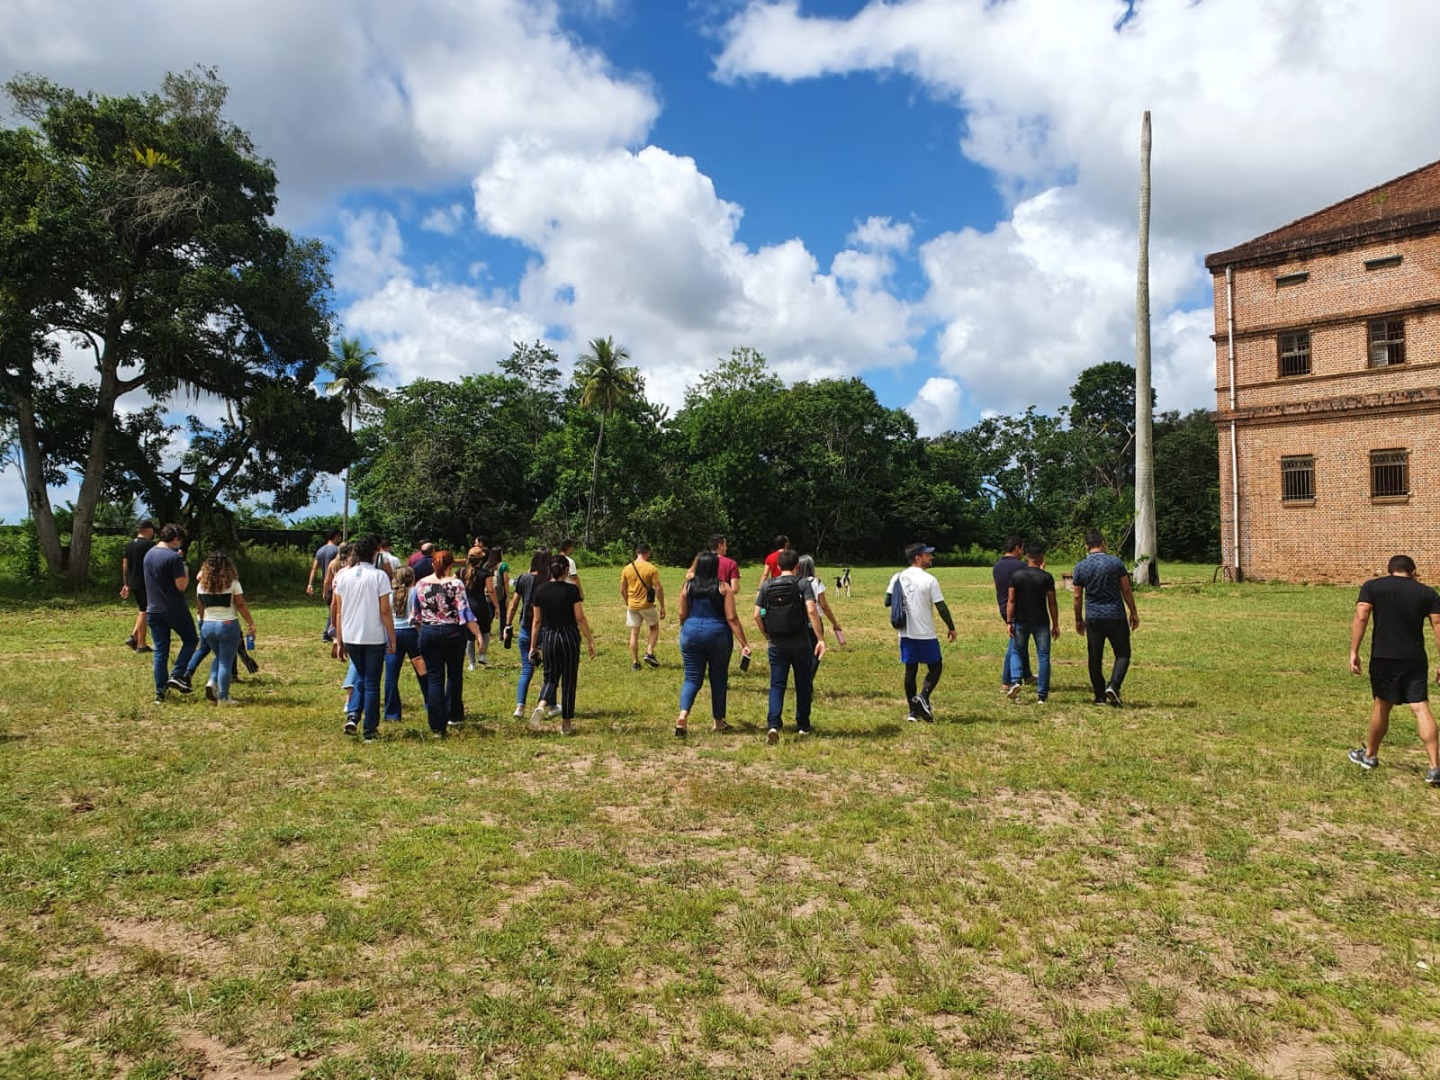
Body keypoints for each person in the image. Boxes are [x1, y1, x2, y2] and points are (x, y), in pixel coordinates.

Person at [1347, 554, 1440, 785]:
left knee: (1382, 705)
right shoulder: (1427, 593)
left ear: (1389, 571)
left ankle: (1370, 756)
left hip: (1384, 657)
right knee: (1421, 708)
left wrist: (1354, 651)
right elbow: (1438, 625)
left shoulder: (1373, 587)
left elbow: (1361, 616)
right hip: (1414, 658)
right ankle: (1434, 767)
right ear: (1413, 572)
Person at [754, 549, 826, 743]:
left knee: (777, 684)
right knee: (803, 684)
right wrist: (820, 638)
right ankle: (803, 725)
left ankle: (773, 725)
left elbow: (756, 614)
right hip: (800, 642)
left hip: (776, 643)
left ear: (778, 566)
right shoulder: (802, 584)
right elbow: (812, 610)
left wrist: (767, 634)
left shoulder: (767, 585)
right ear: (797, 566)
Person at [676, 551, 751, 737]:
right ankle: (718, 721)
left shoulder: (687, 587)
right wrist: (744, 643)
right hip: (717, 634)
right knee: (718, 678)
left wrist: (686, 628)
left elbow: (682, 614)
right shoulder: (723, 587)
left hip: (691, 632)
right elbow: (731, 617)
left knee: (691, 678)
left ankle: (683, 714)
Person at [331, 535, 396, 741]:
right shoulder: (379, 576)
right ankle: (370, 729)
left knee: (360, 676)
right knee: (372, 682)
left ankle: (353, 715)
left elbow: (339, 611)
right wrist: (392, 636)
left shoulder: (343, 576)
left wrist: (339, 640)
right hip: (373, 636)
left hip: (351, 634)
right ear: (375, 553)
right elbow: (385, 611)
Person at [412, 549, 482, 737]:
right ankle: (454, 715)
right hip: (452, 632)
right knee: (454, 674)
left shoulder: (421, 584)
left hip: (428, 631)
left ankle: (436, 725)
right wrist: (477, 634)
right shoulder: (456, 584)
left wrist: (423, 632)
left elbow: (416, 614)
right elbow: (464, 611)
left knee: (434, 678)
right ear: (451, 565)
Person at [885, 543, 956, 723]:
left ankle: (912, 713)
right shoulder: (929, 580)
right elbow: (941, 606)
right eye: (927, 555)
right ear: (918, 558)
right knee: (936, 666)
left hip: (905, 632)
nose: (931, 557)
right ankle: (923, 696)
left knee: (911, 669)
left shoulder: (897, 577)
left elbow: (887, 600)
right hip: (925, 632)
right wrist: (951, 626)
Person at [1072, 529, 1140, 707]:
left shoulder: (1080, 567)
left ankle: (1099, 696)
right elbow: (1126, 589)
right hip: (1115, 614)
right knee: (1123, 653)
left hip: (1093, 616)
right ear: (1103, 543)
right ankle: (1114, 685)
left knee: (1095, 656)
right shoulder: (1115, 563)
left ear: (1086, 546)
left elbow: (1077, 596)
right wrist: (1133, 611)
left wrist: (1078, 619)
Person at [529, 554, 596, 735]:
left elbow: (536, 621)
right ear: (566, 570)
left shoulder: (540, 591)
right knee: (568, 680)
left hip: (549, 637)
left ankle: (541, 705)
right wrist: (590, 639)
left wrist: (533, 646)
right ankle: (566, 724)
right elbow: (580, 617)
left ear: (549, 570)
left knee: (550, 677)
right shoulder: (572, 590)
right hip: (569, 636)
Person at [193, 550, 255, 706]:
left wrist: (202, 622)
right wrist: (251, 623)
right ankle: (223, 697)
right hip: (227, 625)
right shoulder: (233, 583)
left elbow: (200, 606)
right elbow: (240, 605)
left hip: (208, 625)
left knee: (220, 657)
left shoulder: (201, 585)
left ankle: (212, 681)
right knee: (225, 662)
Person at [144, 524, 197, 702]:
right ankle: (177, 674)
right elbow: (181, 586)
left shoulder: (149, 554)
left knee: (160, 651)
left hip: (153, 609)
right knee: (191, 639)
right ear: (175, 539)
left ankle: (160, 693)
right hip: (173, 607)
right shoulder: (174, 558)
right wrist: (184, 567)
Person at [1006, 542, 1060, 704]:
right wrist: (1055, 624)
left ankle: (1015, 681)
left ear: (1027, 557)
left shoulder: (1016, 576)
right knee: (1043, 657)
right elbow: (1052, 602)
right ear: (1041, 558)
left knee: (1017, 651)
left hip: (1021, 620)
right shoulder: (1046, 577)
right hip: (1041, 622)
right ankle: (1042, 695)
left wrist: (1009, 621)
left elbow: (1011, 600)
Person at [507, 548, 552, 719]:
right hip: (546, 629)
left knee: (526, 669)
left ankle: (520, 707)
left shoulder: (523, 579)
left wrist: (508, 624)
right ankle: (551, 705)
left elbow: (514, 604)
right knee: (550, 671)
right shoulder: (549, 580)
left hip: (526, 628)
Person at [383, 565, 427, 723]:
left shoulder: (389, 594)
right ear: (412, 578)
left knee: (391, 676)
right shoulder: (416, 592)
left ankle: (391, 713)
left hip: (394, 634)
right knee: (423, 671)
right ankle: (431, 704)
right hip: (413, 633)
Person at [993, 535, 1034, 694]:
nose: (1022, 551)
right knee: (1015, 645)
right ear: (1017, 547)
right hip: (1017, 608)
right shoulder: (1022, 566)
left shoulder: (997, 566)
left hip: (1004, 607)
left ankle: (1027, 675)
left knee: (1020, 641)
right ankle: (1007, 681)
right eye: (1022, 548)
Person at [620, 542, 665, 670]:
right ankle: (649, 652)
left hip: (632, 605)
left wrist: (627, 601)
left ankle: (635, 662)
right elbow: (658, 589)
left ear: (637, 553)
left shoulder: (627, 569)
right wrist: (662, 606)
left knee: (634, 633)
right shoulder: (651, 568)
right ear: (648, 553)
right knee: (654, 628)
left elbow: (622, 590)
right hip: (647, 605)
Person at [120, 519, 156, 652]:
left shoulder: (129, 544)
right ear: (148, 530)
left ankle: (134, 637)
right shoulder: (151, 545)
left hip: (133, 582)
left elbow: (125, 565)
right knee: (144, 612)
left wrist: (126, 583)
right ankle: (141, 644)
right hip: (146, 582)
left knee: (143, 609)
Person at [796, 554, 846, 649]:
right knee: (815, 650)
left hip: (798, 621)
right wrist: (834, 623)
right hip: (814, 621)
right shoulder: (816, 582)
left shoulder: (795, 582)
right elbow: (824, 606)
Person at [461, 543, 493, 670]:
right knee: (485, 630)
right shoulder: (485, 573)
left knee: (469, 636)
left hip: (467, 606)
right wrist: (496, 605)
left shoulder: (462, 571)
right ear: (481, 559)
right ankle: (482, 655)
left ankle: (471, 663)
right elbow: (491, 590)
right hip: (481, 605)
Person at [306, 528, 341, 642]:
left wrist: (310, 584)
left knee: (332, 608)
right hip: (335, 583)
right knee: (334, 609)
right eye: (339, 536)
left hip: (326, 583)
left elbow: (314, 568)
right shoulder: (337, 550)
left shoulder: (320, 551)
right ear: (335, 536)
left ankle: (329, 633)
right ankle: (327, 633)